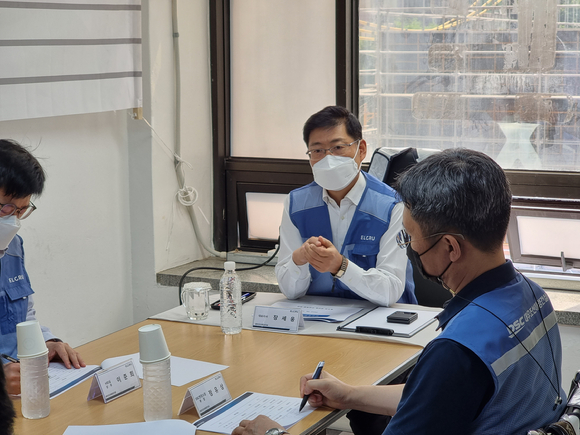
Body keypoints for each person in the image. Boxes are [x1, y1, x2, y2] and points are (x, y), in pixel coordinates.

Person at [234, 148, 566, 435]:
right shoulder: (532, 296)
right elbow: (437, 396)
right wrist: (349, 394)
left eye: (409, 238)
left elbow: (447, 382)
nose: (408, 248)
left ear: (450, 247)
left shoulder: (458, 351)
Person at [275, 106, 416, 306]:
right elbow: (291, 292)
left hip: (380, 322)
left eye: (338, 147)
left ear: (361, 150)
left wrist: (340, 266)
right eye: (317, 150)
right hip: (318, 322)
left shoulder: (392, 206)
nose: (328, 158)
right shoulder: (296, 204)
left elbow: (391, 290)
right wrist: (298, 259)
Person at [0, 139, 85, 395]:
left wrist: (45, 341)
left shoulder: (13, 246)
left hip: (22, 390)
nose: (13, 222)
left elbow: (22, 314)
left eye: (22, 211)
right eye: (6, 208)